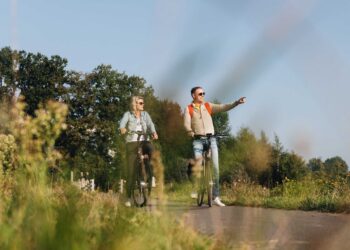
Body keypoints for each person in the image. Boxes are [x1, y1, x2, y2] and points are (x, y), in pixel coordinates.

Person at [184, 86, 245, 207]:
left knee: (216, 167)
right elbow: (186, 123)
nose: (203, 95)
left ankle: (216, 196)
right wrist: (189, 131)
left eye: (203, 93)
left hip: (211, 139)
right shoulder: (189, 109)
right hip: (198, 140)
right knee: (198, 163)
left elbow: (223, 107)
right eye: (200, 93)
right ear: (193, 96)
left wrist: (236, 103)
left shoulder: (208, 106)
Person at [120, 96, 158, 207]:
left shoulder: (145, 115)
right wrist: (123, 129)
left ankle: (150, 172)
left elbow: (150, 124)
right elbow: (122, 124)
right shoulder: (128, 115)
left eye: (143, 103)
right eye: (141, 103)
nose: (143, 105)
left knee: (151, 149)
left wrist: (154, 132)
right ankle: (128, 197)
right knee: (131, 171)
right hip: (131, 142)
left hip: (143, 140)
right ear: (134, 104)